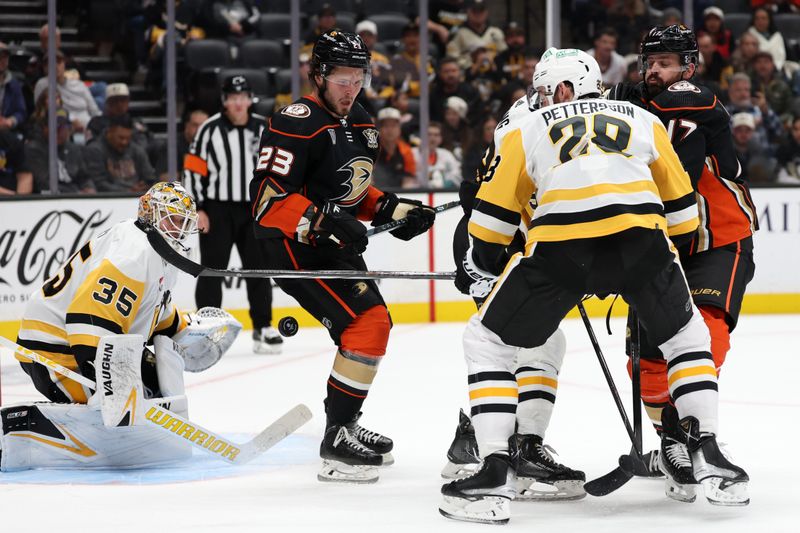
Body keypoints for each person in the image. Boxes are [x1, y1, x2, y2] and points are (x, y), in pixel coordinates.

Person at [440, 47, 750, 524]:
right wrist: (646, 261)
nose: (542, 97)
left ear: (564, 88)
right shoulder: (640, 118)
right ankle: (708, 453)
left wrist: (480, 264)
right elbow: (686, 217)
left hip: (562, 249)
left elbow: (490, 225)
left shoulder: (527, 126)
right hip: (644, 242)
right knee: (687, 338)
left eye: (546, 89)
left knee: (486, 341)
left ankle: (495, 470)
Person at [248, 30, 436, 483]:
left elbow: (352, 191)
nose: (351, 88)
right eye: (341, 77)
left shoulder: (364, 122)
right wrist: (321, 220)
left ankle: (344, 425)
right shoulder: (294, 121)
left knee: (372, 326)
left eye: (359, 77)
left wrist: (392, 207)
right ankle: (336, 437)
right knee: (367, 322)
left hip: (332, 245)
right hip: (292, 247)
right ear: (318, 74)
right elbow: (266, 203)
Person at [606, 25, 757, 502]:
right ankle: (673, 441)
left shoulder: (689, 97)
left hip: (719, 239)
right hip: (663, 245)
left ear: (688, 68)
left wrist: (616, 102)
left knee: (704, 331)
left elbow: (669, 111)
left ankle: (699, 434)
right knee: (646, 359)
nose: (656, 71)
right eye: (649, 63)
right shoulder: (636, 106)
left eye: (667, 63)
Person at [2, 182, 240, 471]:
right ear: (150, 214)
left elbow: (148, 311)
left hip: (84, 344)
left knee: (156, 390)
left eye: (183, 222)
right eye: (173, 218)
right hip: (55, 354)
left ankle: (121, 431)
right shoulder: (132, 252)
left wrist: (185, 331)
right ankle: (33, 433)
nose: (178, 228)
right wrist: (105, 383)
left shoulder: (156, 250)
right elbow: (87, 316)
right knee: (134, 406)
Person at [183, 75, 281, 354]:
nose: (238, 103)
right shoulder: (209, 129)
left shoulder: (265, 128)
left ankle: (263, 327)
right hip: (217, 209)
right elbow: (193, 168)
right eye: (233, 98)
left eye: (243, 97)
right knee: (212, 271)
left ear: (250, 99)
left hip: (254, 209)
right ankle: (205, 330)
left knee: (258, 270)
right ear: (225, 101)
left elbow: (277, 168)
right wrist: (198, 208)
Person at [25, 108, 94, 193]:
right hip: (47, 199)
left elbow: (84, 177)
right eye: (55, 127)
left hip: (75, 197)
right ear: (44, 127)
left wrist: (89, 188)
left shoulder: (74, 149)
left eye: (64, 127)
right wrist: (76, 193)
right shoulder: (34, 149)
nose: (59, 131)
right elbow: (44, 183)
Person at [84, 114, 155, 192]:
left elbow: (150, 178)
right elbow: (99, 183)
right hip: (109, 199)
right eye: (121, 138)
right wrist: (128, 191)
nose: (124, 142)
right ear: (110, 132)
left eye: (128, 138)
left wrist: (145, 185)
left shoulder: (136, 150)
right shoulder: (95, 150)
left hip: (137, 196)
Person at [372, 107, 417, 189]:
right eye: (385, 126)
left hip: (400, 194)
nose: (390, 130)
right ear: (378, 129)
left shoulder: (406, 151)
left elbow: (409, 179)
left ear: (399, 128)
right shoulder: (372, 149)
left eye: (393, 126)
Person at [0, 41, 27, 132]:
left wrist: (10, 121)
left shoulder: (14, 85)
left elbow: (21, 112)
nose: (2, 60)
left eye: (5, 57)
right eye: (0, 56)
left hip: (6, 131)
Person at [0, 127, 33, 195]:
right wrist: (13, 197)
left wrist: (20, 201)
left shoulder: (11, 141)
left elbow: (25, 176)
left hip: (14, 199)